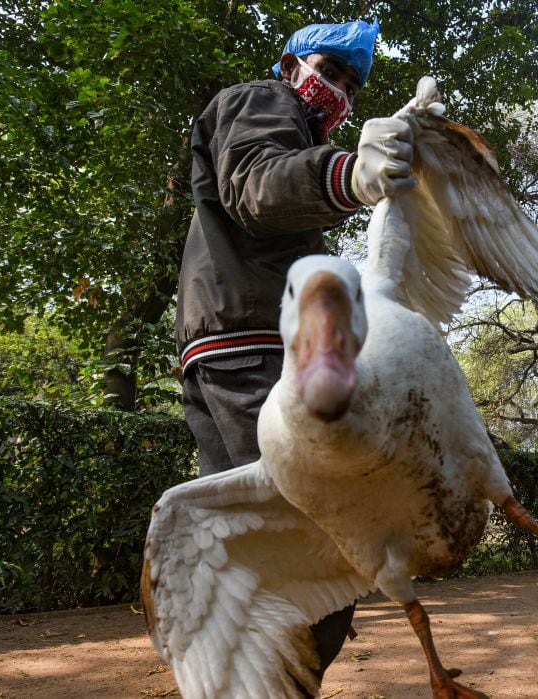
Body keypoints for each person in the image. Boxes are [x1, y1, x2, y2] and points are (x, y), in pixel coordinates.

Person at [174, 18, 415, 692]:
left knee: (260, 555)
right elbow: (256, 186)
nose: (336, 88)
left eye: (349, 83)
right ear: (289, 65)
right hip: (247, 348)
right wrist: (349, 173)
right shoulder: (260, 101)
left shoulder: (302, 141)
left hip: (242, 347)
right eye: (327, 69)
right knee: (312, 552)